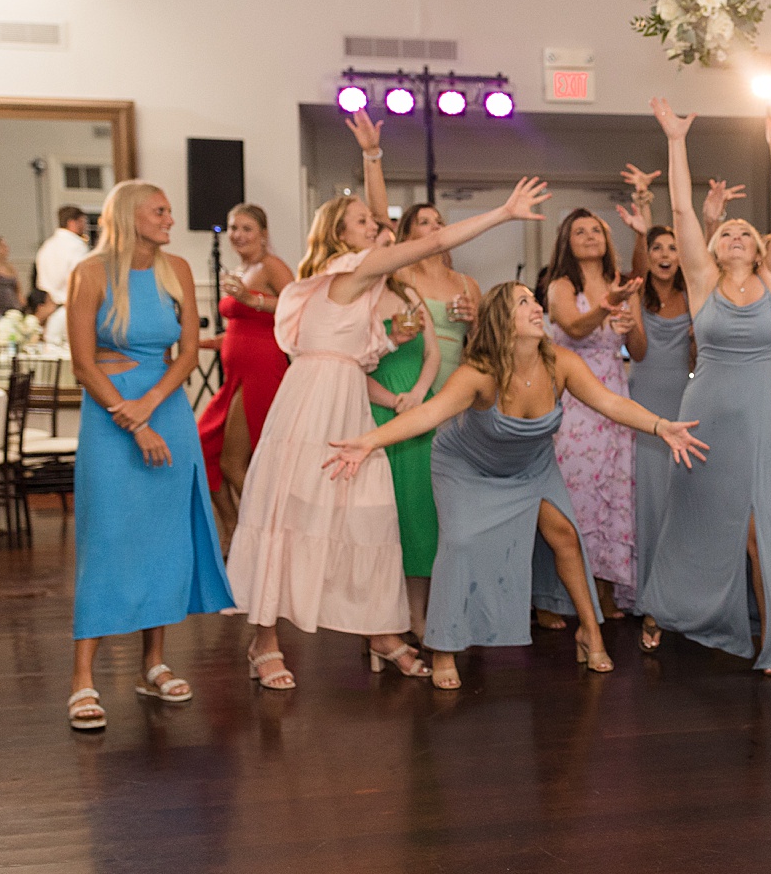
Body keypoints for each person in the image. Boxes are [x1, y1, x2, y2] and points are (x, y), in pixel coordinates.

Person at [225, 170, 551, 690]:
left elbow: (351, 363)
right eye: (362, 222)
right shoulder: (351, 271)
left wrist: (395, 399)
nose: (376, 227)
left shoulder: (362, 287)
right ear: (341, 236)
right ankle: (264, 641)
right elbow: (437, 240)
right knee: (290, 512)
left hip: (348, 399)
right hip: (311, 407)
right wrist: (504, 214)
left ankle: (380, 630)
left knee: (372, 518)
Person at [326, 282, 706, 688]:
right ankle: (444, 646)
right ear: (502, 321)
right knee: (460, 542)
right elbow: (430, 414)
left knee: (565, 536)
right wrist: (368, 441)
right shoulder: (479, 374)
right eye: (523, 302)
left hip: (532, 465)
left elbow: (610, 402)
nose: (536, 307)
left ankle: (589, 633)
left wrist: (661, 426)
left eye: (534, 300)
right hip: (466, 468)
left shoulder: (560, 363)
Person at [640, 97, 771, 675]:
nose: (736, 232)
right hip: (705, 412)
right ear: (713, 248)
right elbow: (684, 215)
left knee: (762, 530)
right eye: (728, 230)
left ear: (759, 248)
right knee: (692, 517)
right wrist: (676, 140)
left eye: (745, 230)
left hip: (760, 415)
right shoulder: (701, 279)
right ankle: (664, 609)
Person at [65, 181, 233, 731]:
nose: (169, 217)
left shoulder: (177, 269)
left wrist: (151, 406)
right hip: (110, 416)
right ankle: (83, 677)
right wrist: (130, 419)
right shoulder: (90, 274)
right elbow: (85, 364)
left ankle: (153, 663)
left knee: (164, 540)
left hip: (165, 411)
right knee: (108, 538)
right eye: (159, 210)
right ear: (129, 216)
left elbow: (186, 354)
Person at [544, 206, 644, 620]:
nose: (589, 237)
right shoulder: (560, 285)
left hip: (614, 398)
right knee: (576, 496)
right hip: (576, 403)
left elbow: (638, 351)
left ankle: (604, 591)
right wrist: (607, 307)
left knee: (615, 496)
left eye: (596, 231)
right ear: (567, 241)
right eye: (579, 231)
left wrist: (628, 324)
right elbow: (571, 327)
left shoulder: (624, 286)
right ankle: (558, 596)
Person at [352, 116, 483, 393]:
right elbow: (380, 218)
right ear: (408, 238)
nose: (435, 226)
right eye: (424, 222)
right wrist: (372, 155)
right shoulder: (399, 275)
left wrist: (473, 321)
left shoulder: (466, 284)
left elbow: (482, 344)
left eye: (438, 221)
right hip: (409, 375)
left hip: (454, 380)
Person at [617, 198, 694, 653]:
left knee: (682, 504)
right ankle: (650, 601)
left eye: (672, 248)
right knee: (650, 504)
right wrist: (630, 321)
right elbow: (639, 352)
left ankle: (682, 599)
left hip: (685, 401)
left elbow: (699, 360)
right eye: (658, 248)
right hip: (645, 402)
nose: (665, 255)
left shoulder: (695, 295)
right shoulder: (636, 294)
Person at [195, 204, 293, 544]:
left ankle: (262, 537)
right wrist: (202, 343)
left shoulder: (271, 266)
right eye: (233, 227)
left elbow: (296, 306)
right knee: (205, 450)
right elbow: (241, 331)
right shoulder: (241, 268)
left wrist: (251, 297)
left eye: (246, 228)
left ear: (263, 234)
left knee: (234, 462)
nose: (238, 234)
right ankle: (236, 533)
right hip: (236, 373)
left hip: (263, 372)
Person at [365, 273, 441, 639]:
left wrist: (418, 396)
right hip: (374, 406)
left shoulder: (409, 292)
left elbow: (433, 352)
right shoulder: (354, 298)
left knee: (418, 512)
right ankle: (378, 623)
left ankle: (416, 615)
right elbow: (351, 363)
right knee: (381, 514)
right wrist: (392, 401)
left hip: (417, 407)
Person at [34, 205, 91, 327]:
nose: (85, 227)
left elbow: (41, 283)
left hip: (49, 309)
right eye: (82, 222)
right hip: (69, 309)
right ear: (72, 223)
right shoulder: (77, 247)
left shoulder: (47, 246)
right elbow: (80, 280)